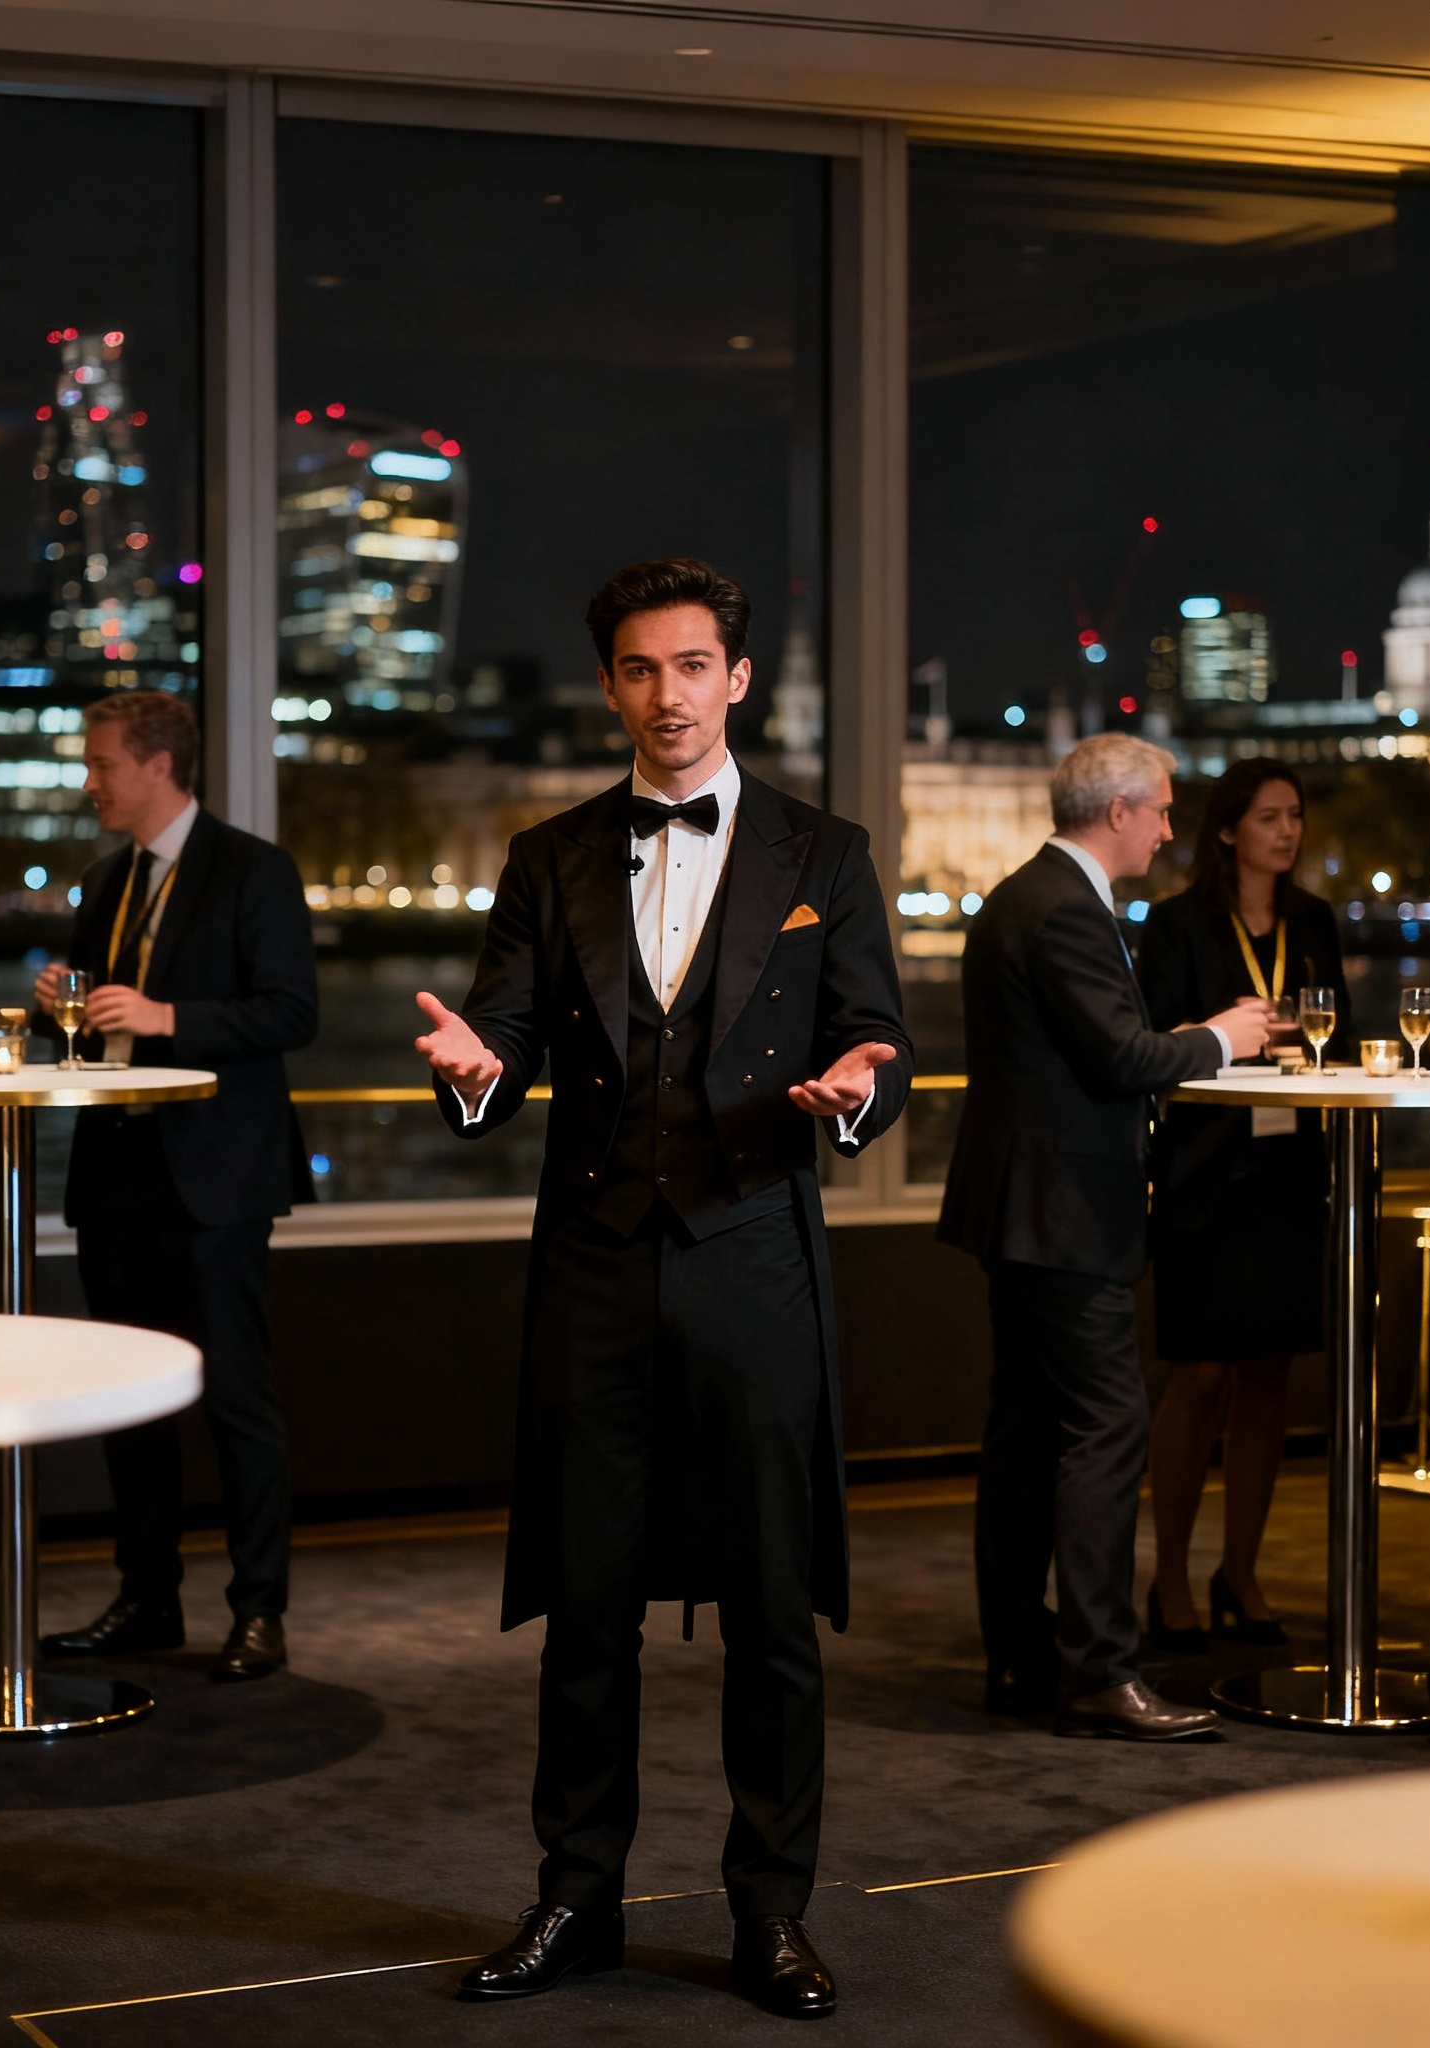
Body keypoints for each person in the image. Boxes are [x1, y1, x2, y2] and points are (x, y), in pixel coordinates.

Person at [417, 558, 908, 2020]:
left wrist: (861, 1087)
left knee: (771, 1614)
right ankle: (577, 1901)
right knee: (586, 1607)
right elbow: (496, 1042)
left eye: (692, 666)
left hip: (757, 1256)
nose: (667, 695)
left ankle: (771, 1912)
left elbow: (879, 1031)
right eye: (639, 670)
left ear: (737, 679)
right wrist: (474, 1070)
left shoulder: (828, 851)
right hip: (592, 1266)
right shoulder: (549, 853)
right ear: (612, 686)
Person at [938, 732, 1271, 1739]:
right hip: (1061, 1213)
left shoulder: (1027, 897)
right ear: (1118, 810)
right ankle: (1097, 1669)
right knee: (1103, 1428)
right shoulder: (1063, 909)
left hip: (1022, 1207)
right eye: (1162, 809)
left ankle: (1020, 1653)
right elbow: (1120, 1057)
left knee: (1028, 1433)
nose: (1170, 828)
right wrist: (1223, 1036)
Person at [34, 692, 317, 1685]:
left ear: (157, 764)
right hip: (117, 1177)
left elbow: (289, 1012)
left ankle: (258, 1609)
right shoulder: (106, 879)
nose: (90, 780)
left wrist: (162, 1016)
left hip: (218, 1180)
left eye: (101, 762)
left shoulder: (255, 869)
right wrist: (62, 1016)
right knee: (132, 1407)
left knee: (236, 1398)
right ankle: (147, 1599)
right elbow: (105, 1033)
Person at [1137, 757, 1344, 1654]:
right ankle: (1172, 1576)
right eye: (1270, 817)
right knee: (1200, 1378)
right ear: (1228, 831)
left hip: (1291, 1176)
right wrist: (1228, 1033)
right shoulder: (1179, 925)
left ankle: (1243, 1572)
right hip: (1205, 1180)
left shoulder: (1315, 921)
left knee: (1269, 1379)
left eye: (1295, 816)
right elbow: (1153, 1046)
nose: (1288, 831)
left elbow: (1346, 1030)